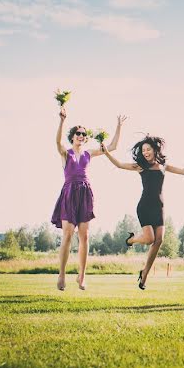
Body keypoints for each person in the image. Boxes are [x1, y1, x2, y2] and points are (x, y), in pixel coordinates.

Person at [103, 136, 184, 290]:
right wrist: (107, 153)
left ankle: (144, 274)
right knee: (149, 239)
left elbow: (182, 172)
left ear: (155, 150)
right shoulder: (141, 166)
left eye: (148, 149)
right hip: (145, 206)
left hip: (159, 207)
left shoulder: (163, 166)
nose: (145, 152)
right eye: (143, 150)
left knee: (158, 241)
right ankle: (132, 240)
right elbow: (120, 165)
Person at [51, 108, 125, 290]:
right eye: (78, 133)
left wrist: (118, 126)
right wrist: (62, 121)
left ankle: (81, 277)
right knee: (67, 234)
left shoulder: (88, 153)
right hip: (69, 193)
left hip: (85, 193)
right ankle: (61, 275)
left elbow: (113, 146)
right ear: (73, 136)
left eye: (84, 134)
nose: (81, 136)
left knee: (84, 236)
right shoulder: (65, 153)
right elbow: (57, 142)